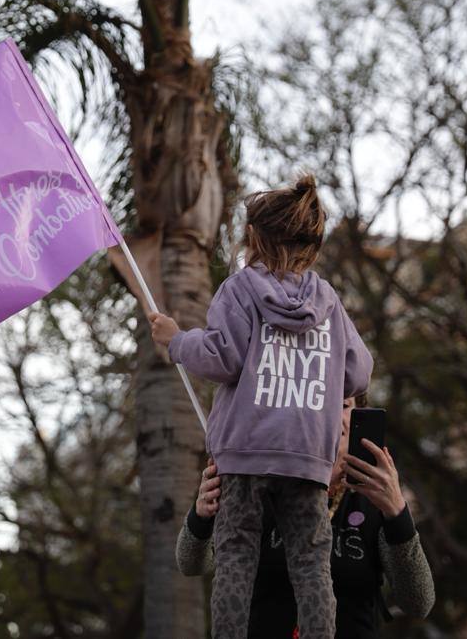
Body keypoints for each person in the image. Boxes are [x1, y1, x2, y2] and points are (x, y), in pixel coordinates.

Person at [148, 177, 373, 638]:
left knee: (235, 554)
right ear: (311, 244)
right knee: (312, 562)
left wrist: (176, 341)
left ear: (254, 237)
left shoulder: (240, 289)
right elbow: (359, 372)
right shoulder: (328, 301)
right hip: (309, 457)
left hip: (246, 454)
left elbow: (222, 357)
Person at [176, 397, 435, 638]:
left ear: (359, 418)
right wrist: (202, 515)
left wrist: (396, 512)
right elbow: (192, 564)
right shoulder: (261, 483)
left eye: (343, 404)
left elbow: (418, 602)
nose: (331, 414)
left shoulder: (375, 501)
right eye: (323, 398)